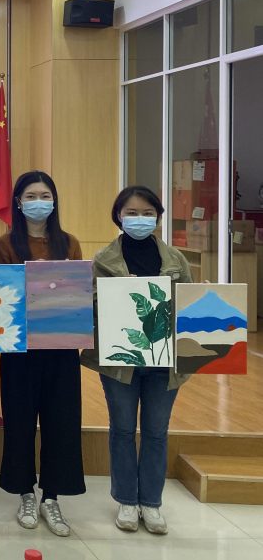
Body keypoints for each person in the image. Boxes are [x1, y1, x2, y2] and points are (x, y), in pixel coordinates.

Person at [80, 186, 193, 536]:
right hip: (120, 361)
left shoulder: (176, 259)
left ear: (158, 217)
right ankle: (127, 500)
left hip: (165, 361)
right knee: (123, 429)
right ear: (119, 216)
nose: (140, 219)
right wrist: (117, 293)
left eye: (147, 213)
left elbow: (189, 304)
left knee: (157, 432)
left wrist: (194, 297)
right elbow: (88, 306)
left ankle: (152, 503)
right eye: (132, 213)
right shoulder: (103, 259)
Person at [0, 171, 86, 537]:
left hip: (61, 348)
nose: (38, 202)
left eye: (45, 195)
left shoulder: (70, 242)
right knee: (19, 421)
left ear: (54, 201)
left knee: (61, 422)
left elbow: (78, 292)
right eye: (30, 196)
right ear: (18, 203)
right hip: (19, 347)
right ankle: (25, 494)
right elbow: (1, 293)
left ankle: (52, 496)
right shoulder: (5, 243)